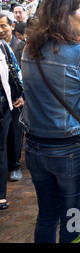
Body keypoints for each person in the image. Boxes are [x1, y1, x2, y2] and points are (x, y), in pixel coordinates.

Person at [19, 0, 80, 243]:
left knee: (47, 215)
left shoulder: (29, 50)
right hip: (69, 151)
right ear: (65, 16)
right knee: (72, 216)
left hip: (35, 147)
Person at [0, 12, 25, 182]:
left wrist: (24, 96)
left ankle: (15, 166)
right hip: (4, 99)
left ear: (12, 26)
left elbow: (27, 74)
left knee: (15, 134)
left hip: (17, 97)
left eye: (3, 25)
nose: (1, 30)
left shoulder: (21, 46)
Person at [0, 40, 23, 210]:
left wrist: (21, 94)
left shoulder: (3, 47)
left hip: (3, 108)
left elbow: (15, 71)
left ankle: (1, 195)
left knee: (1, 149)